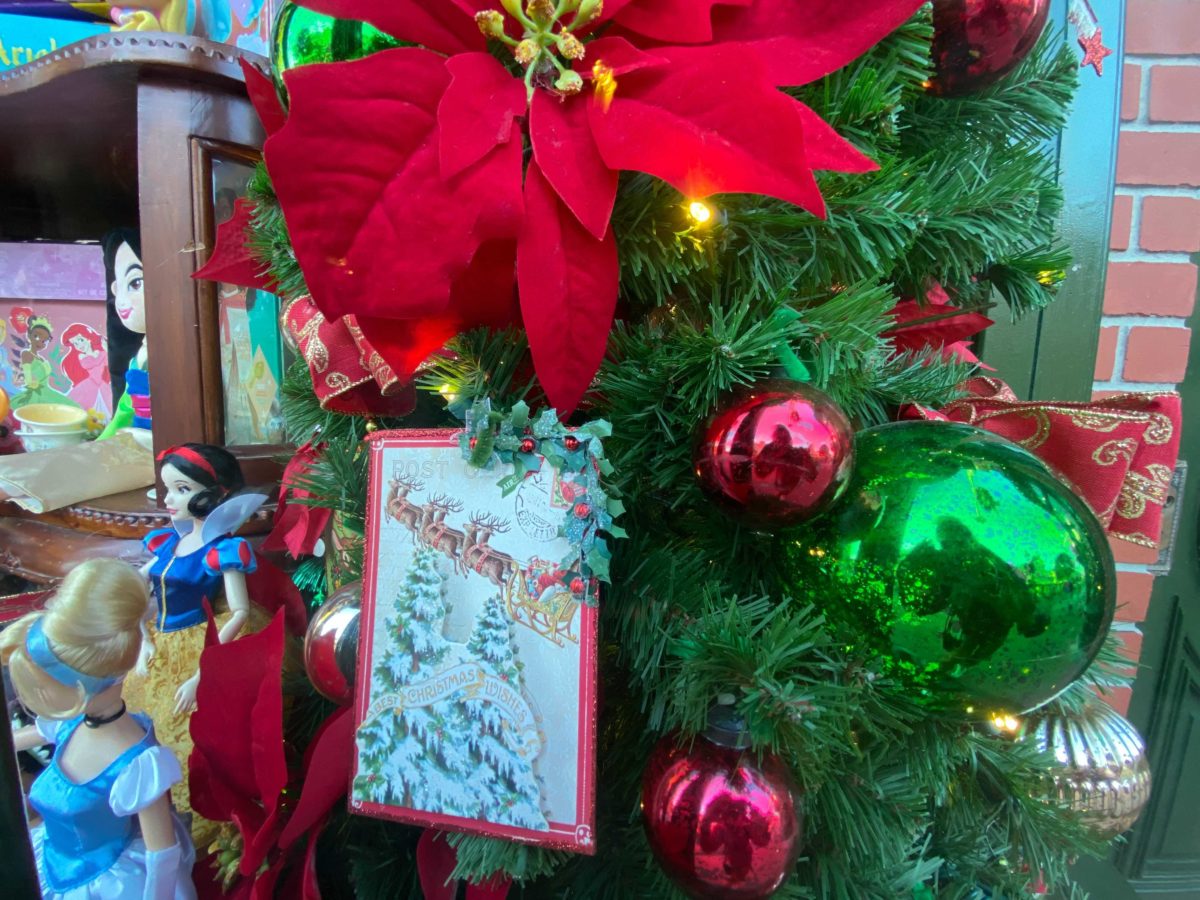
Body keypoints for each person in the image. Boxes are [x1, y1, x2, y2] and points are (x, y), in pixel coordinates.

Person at [2, 559, 196, 899]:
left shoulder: (138, 765)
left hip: (104, 884)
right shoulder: (74, 723)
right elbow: (43, 733)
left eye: (50, 691)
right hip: (53, 860)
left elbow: (163, 853)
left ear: (88, 686)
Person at [121, 443, 267, 843]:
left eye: (182, 490)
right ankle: (156, 820)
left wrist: (202, 672)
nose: (168, 500)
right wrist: (142, 637)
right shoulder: (165, 543)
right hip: (160, 644)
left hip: (199, 644)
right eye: (167, 489)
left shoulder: (222, 551)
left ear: (213, 496)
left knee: (193, 739)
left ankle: (202, 829)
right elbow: (136, 591)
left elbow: (239, 612)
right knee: (149, 730)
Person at [100, 230, 147, 440]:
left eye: (135, 283)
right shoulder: (139, 356)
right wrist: (102, 443)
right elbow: (126, 408)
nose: (121, 301)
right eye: (118, 287)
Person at [12, 315, 80, 409]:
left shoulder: (42, 359)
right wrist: (32, 383)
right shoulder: (27, 354)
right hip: (36, 393)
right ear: (29, 335)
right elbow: (28, 378)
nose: (40, 342)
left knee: (73, 406)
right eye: (36, 337)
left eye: (44, 341)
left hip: (47, 391)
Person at [61, 324, 112, 418]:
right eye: (75, 343)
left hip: (103, 386)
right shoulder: (81, 356)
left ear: (88, 338)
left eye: (81, 340)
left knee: (108, 409)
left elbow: (110, 363)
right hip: (87, 386)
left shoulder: (101, 353)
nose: (79, 345)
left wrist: (106, 348)